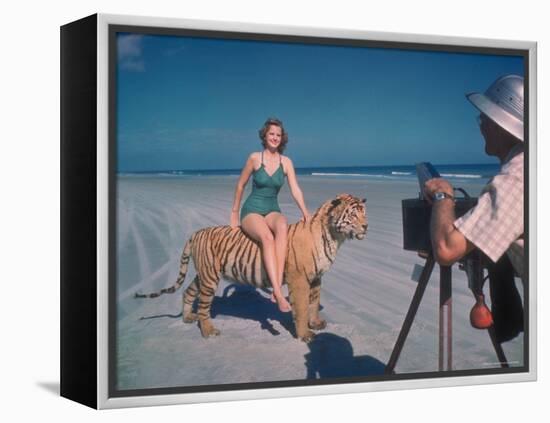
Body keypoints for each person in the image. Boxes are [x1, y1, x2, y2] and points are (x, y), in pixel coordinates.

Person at [423, 75, 525, 330]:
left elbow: (447, 249)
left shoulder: (518, 178)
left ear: (502, 126)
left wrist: (443, 194)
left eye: (485, 118)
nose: (481, 125)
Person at [230, 118, 310, 312]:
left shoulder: (286, 162)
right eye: (271, 134)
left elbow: (295, 190)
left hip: (272, 209)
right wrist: (234, 212)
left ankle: (277, 286)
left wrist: (306, 213)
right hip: (252, 210)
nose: (275, 137)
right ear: (264, 136)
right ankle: (278, 292)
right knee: (267, 237)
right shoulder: (255, 158)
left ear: (282, 139)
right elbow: (240, 185)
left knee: (282, 226)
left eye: (278, 135)